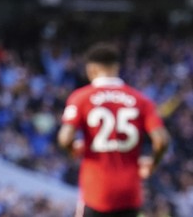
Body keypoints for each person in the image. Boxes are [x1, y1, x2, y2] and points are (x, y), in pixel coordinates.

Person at [57, 42, 170, 217]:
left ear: (91, 69)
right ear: (117, 67)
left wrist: (72, 149)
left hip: (96, 191)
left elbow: (65, 138)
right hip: (129, 192)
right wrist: (153, 163)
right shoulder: (141, 100)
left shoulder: (80, 98)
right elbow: (161, 140)